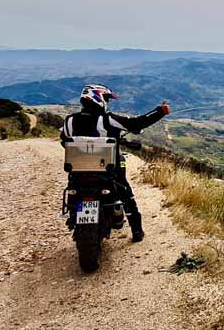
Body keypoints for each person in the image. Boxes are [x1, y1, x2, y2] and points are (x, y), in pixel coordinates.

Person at [60, 84, 170, 242]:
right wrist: (160, 112)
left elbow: (64, 142)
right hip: (106, 171)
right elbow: (135, 124)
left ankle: (74, 214)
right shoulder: (107, 119)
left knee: (74, 188)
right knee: (126, 194)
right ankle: (137, 232)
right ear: (98, 98)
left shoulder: (69, 121)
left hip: (79, 171)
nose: (106, 102)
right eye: (106, 98)